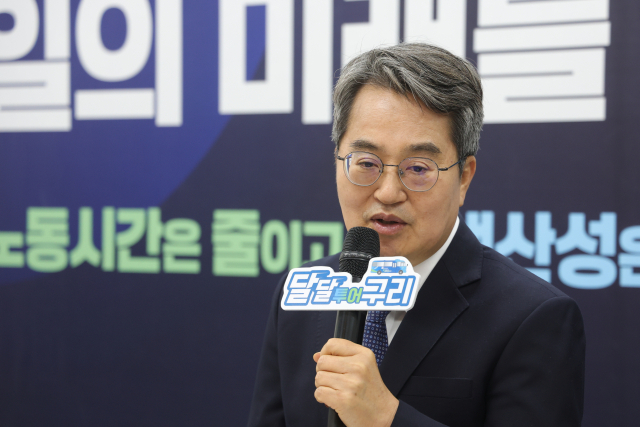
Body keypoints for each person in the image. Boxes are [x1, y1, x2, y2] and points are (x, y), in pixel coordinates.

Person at [247, 43, 585, 427]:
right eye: (367, 163)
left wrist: (385, 416)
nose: (388, 192)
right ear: (338, 162)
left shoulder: (533, 317)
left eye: (418, 168)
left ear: (464, 177)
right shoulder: (301, 294)